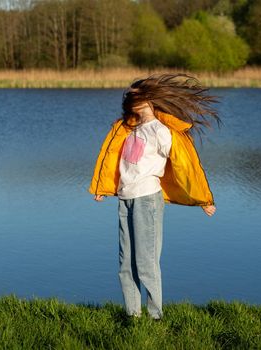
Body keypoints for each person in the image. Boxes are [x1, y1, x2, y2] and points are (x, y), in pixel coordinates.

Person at [88, 73, 220, 321]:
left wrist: (203, 199)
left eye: (138, 98)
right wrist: (103, 189)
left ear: (151, 100)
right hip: (125, 199)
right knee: (126, 264)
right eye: (131, 98)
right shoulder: (127, 128)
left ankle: (155, 316)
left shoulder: (161, 131)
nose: (133, 102)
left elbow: (184, 165)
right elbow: (116, 163)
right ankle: (133, 316)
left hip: (147, 199)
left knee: (146, 262)